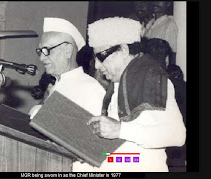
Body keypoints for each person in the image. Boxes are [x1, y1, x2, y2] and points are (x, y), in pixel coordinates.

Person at [72, 17, 186, 172]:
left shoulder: (151, 78)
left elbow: (177, 135)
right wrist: (90, 152)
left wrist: (120, 129)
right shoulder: (118, 84)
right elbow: (123, 150)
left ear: (123, 50)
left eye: (100, 56)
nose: (97, 65)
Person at [29, 17, 105, 120]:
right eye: (40, 51)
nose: (41, 58)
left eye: (47, 50)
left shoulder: (90, 89)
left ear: (68, 50)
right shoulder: (55, 85)